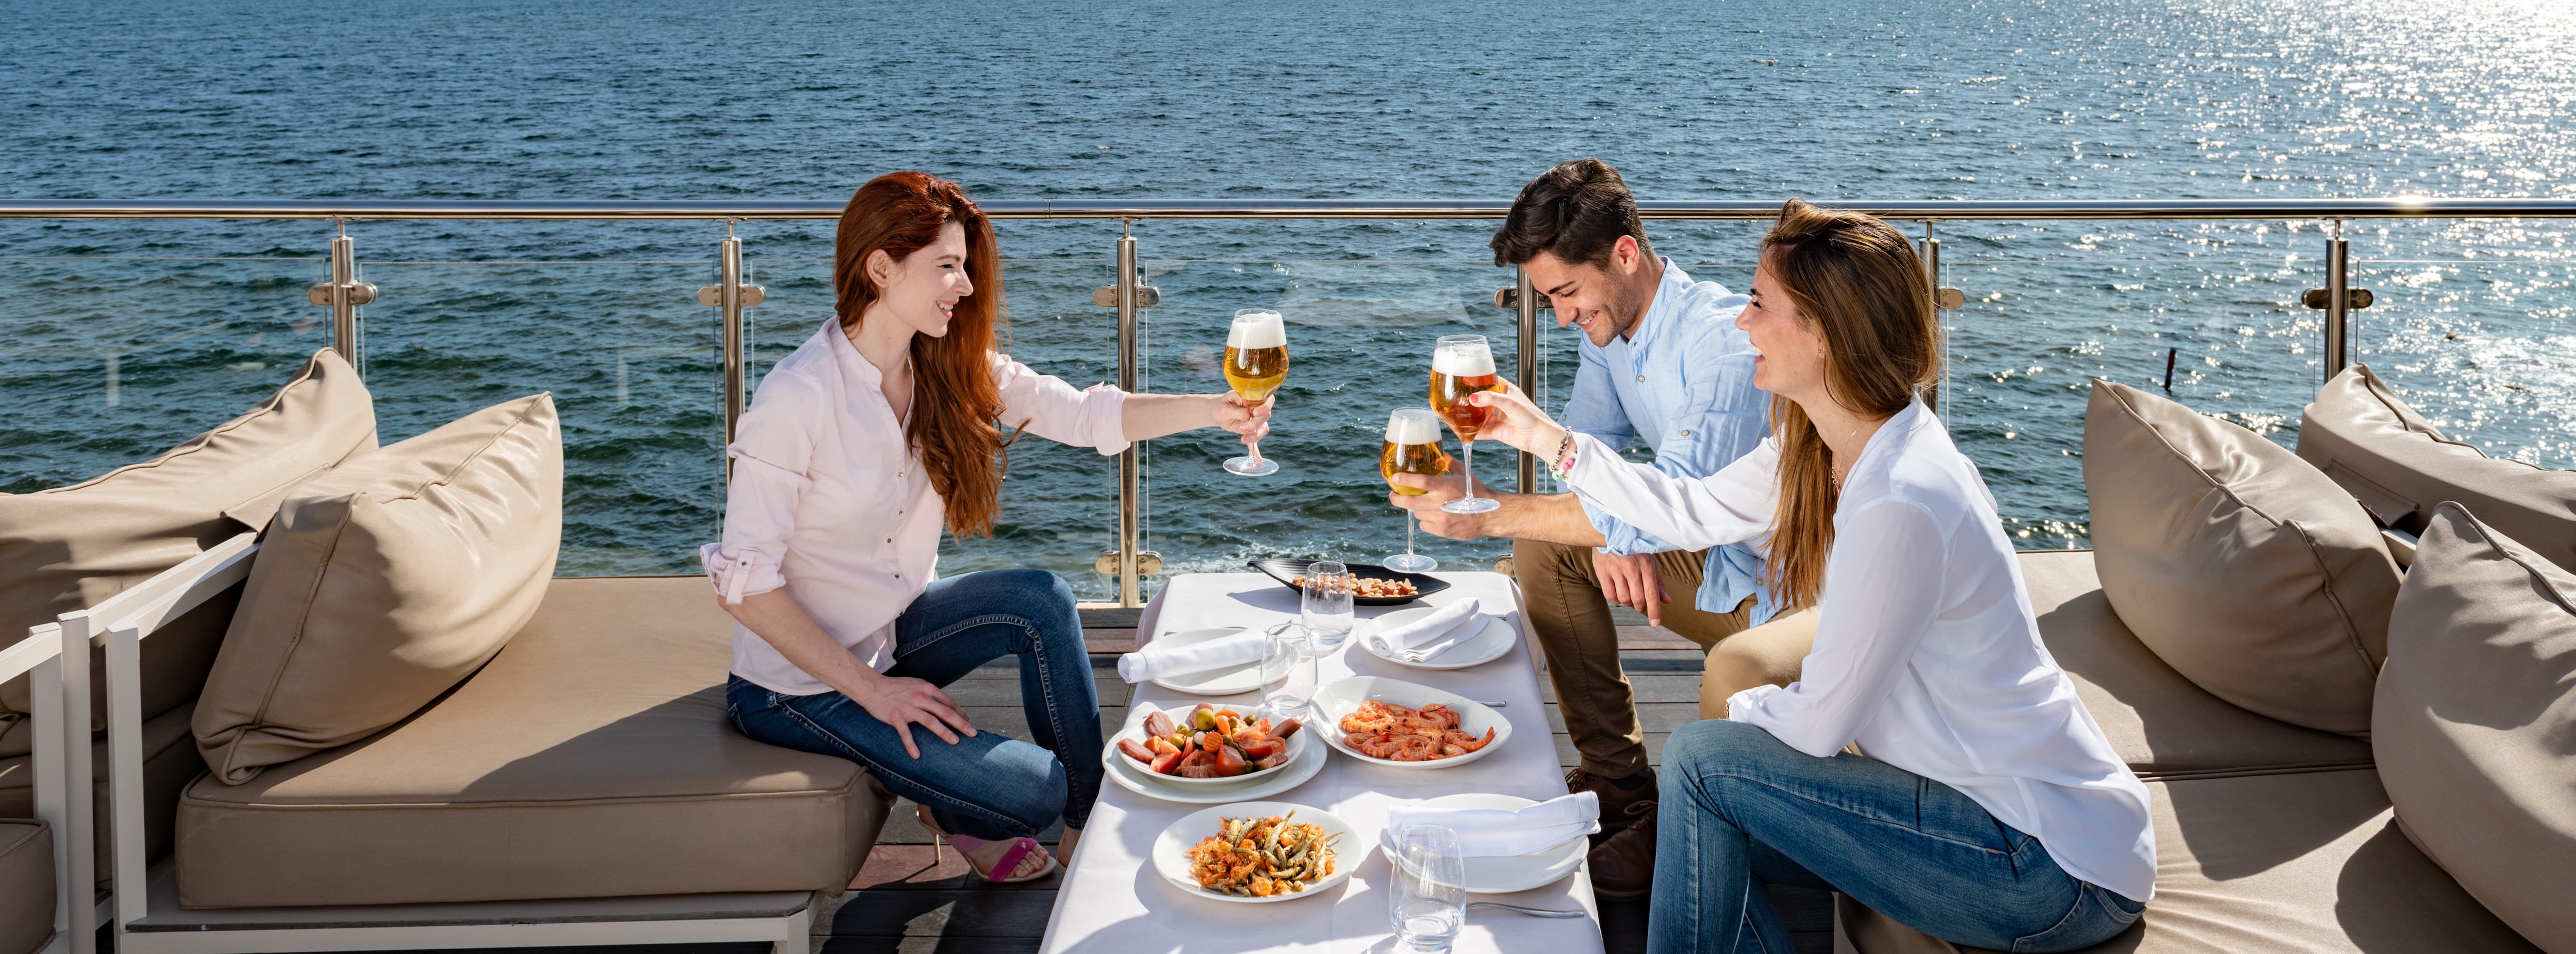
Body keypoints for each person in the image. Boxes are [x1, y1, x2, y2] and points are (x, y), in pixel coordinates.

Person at [1465, 200, 2153, 953]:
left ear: (1822, 331)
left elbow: (1822, 721)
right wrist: (1548, 439)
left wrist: (1745, 708)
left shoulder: (1902, 496)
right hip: (1979, 810)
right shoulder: (1826, 441)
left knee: (1700, 762)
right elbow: (1689, 510)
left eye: (1760, 304)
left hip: (2049, 864)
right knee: (1707, 810)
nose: (1741, 323)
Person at [702, 170, 1272, 885]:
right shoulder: (797, 396)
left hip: (892, 631)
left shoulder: (937, 362)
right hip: (795, 688)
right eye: (947, 266)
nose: (966, 286)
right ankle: (1000, 805)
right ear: (880, 267)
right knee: (1034, 788)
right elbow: (745, 585)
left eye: (965, 266)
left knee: (1041, 598)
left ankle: (1088, 825)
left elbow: (1082, 413)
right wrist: (875, 692)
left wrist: (1214, 410)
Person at [1389, 159, 1817, 897]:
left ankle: (1695, 822)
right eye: (1548, 297)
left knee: (1543, 532)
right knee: (1552, 546)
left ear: (1623, 254)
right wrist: (1617, 535)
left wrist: (1493, 510)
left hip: (1783, 592)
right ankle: (1622, 783)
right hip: (1710, 550)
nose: (1559, 315)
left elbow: (1678, 502)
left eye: (1566, 292)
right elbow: (1589, 449)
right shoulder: (1609, 330)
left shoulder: (1720, 343)